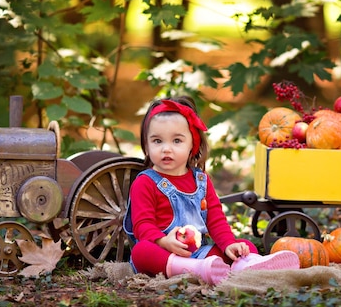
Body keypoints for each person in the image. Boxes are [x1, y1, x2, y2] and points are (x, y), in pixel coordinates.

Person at [126, 96, 300, 285]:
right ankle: (195, 270)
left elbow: (215, 219)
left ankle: (245, 264)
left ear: (193, 144)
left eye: (177, 141)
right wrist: (163, 241)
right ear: (146, 144)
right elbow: (142, 226)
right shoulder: (145, 182)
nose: (166, 149)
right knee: (141, 251)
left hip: (200, 253)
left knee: (244, 247)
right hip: (163, 254)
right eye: (157, 141)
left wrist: (229, 245)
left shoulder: (201, 180)